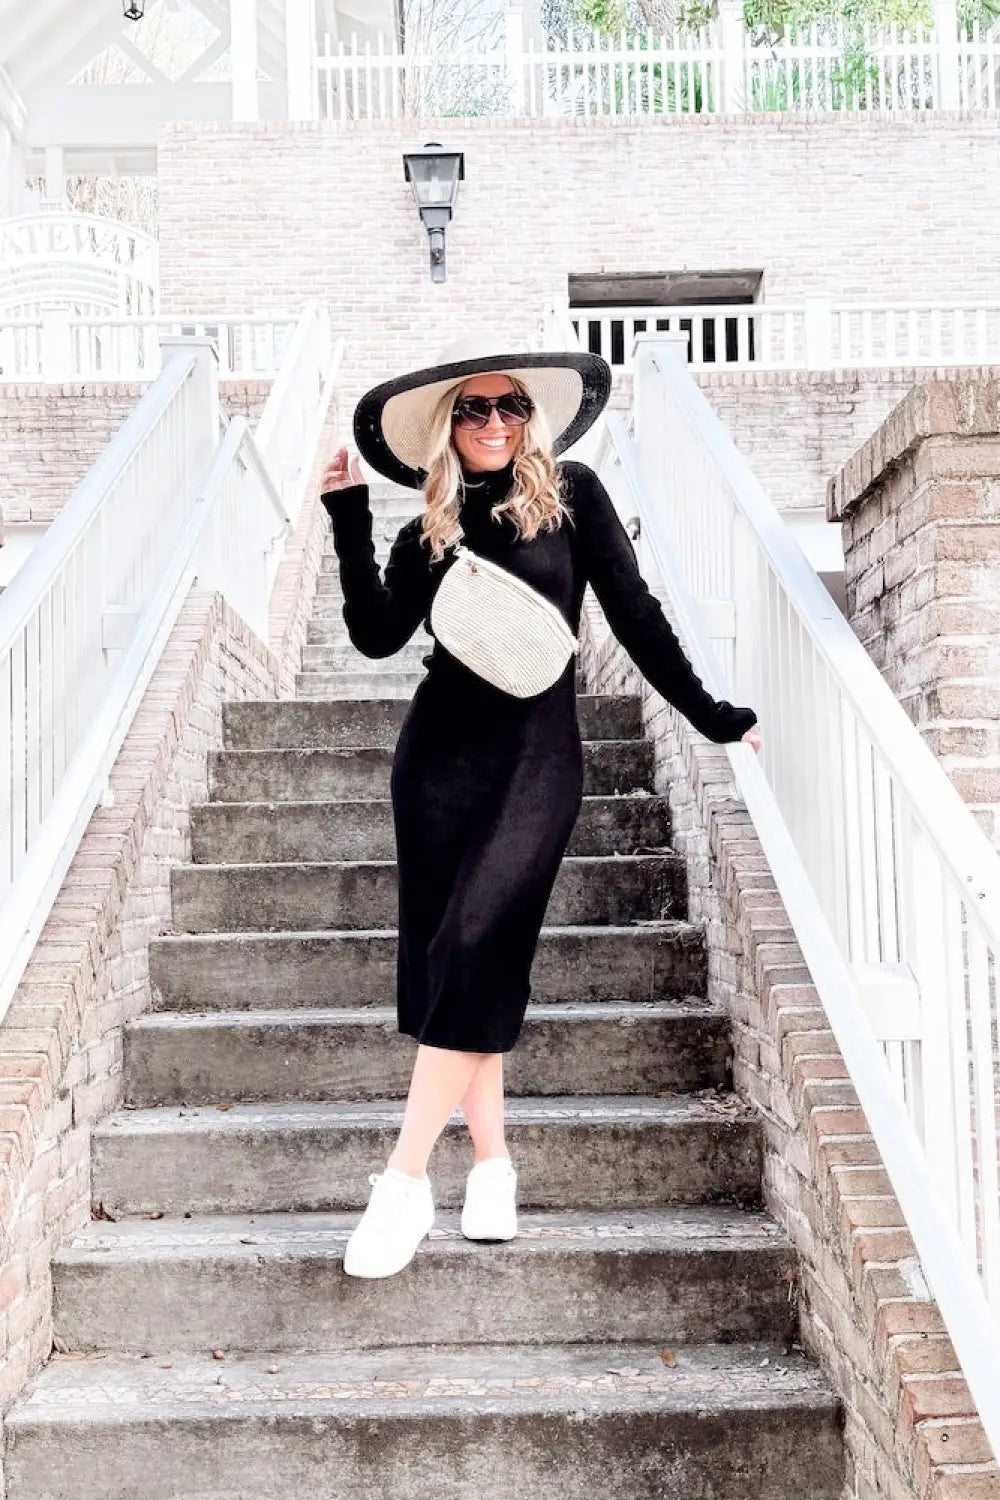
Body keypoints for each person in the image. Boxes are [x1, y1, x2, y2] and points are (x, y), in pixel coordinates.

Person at [319, 331, 761, 1281]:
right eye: (474, 409)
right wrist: (348, 518)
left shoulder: (573, 497)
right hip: (437, 765)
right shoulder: (428, 530)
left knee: (474, 942)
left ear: (532, 417)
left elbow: (637, 616)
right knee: (456, 963)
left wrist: (714, 716)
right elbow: (374, 636)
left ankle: (402, 1181)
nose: (494, 422)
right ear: (449, 426)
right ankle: (492, 1171)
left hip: (537, 762)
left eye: (510, 406)